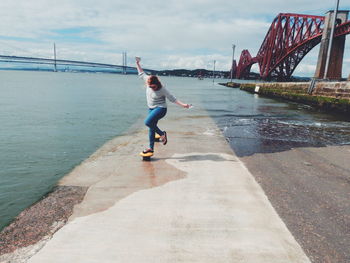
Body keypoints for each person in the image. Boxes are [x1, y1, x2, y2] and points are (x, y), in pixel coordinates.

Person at [135, 57, 191, 156]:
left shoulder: (162, 89)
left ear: (157, 84)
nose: (151, 88)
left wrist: (183, 105)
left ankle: (162, 134)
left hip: (161, 109)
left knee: (148, 122)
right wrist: (137, 63)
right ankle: (151, 149)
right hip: (151, 108)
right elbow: (141, 73)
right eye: (150, 86)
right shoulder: (148, 80)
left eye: (153, 87)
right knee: (151, 128)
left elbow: (172, 98)